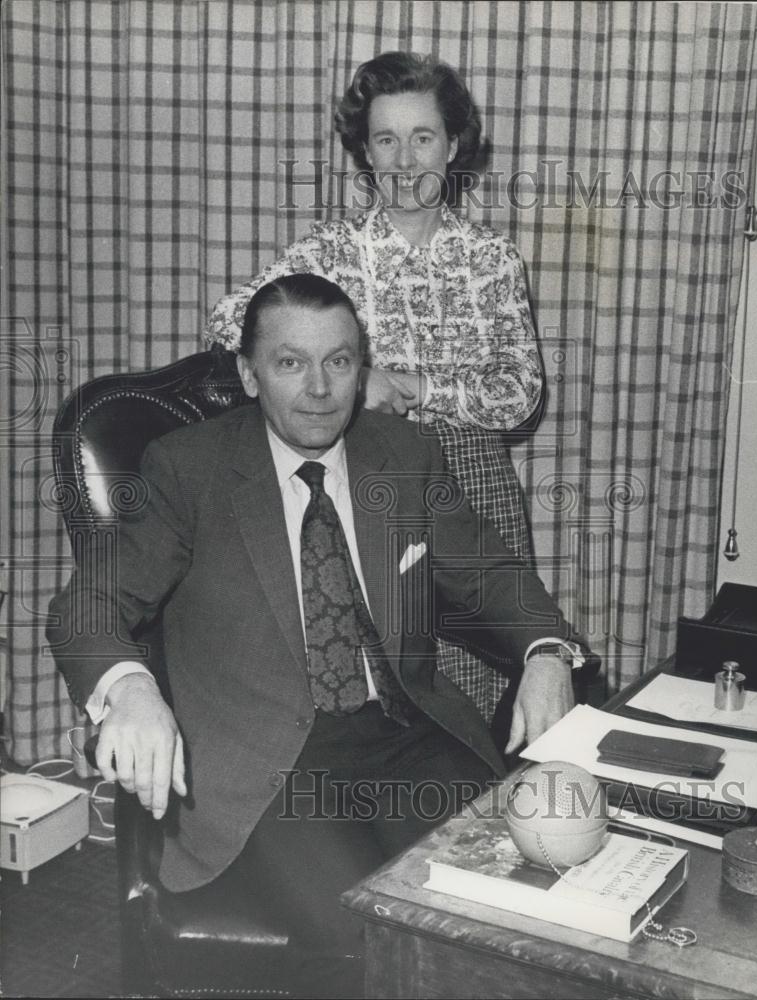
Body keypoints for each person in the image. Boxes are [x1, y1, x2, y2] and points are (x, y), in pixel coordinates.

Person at [49, 275, 583, 998]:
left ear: (361, 367)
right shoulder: (190, 470)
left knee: (507, 915)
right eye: (289, 362)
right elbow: (87, 605)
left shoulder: (403, 453)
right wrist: (131, 690)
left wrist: (545, 652)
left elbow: (487, 571)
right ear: (248, 373)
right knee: (362, 939)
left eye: (339, 361)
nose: (320, 388)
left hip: (405, 736)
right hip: (272, 761)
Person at [206, 51, 545, 726]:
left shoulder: (491, 257)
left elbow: (520, 393)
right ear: (364, 152)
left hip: (476, 481)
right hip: (367, 483)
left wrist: (411, 385)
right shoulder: (328, 253)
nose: (404, 158)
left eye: (422, 137)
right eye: (384, 139)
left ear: (452, 146)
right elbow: (227, 318)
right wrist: (354, 380)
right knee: (393, 691)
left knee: (487, 693)